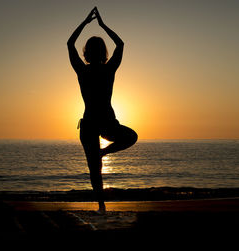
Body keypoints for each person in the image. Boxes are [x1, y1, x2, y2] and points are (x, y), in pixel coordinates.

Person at [67, 7, 138, 212]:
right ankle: (101, 202)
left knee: (95, 169)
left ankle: (101, 205)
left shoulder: (84, 70)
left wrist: (85, 22)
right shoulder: (106, 70)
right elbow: (121, 44)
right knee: (129, 138)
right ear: (102, 52)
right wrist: (102, 24)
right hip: (102, 122)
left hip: (94, 123)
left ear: (87, 53)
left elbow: (70, 43)